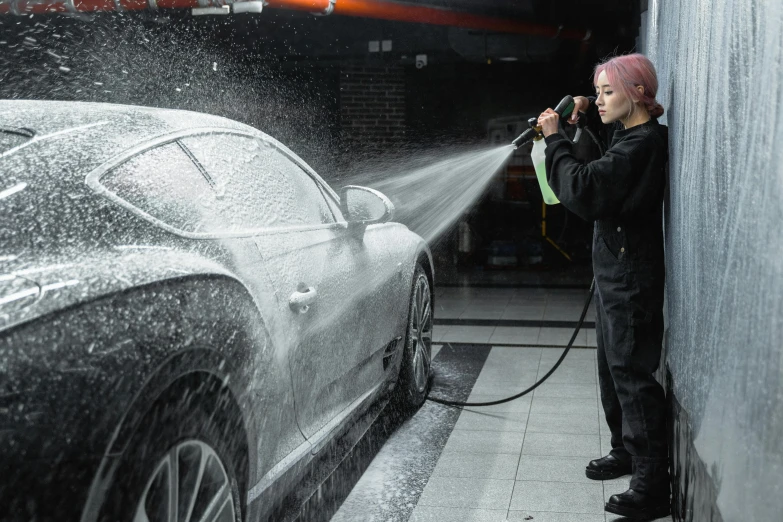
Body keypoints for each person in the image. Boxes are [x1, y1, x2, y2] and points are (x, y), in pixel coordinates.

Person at [537, 53, 670, 521]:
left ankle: (652, 486)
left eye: (607, 92)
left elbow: (586, 187)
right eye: (597, 91)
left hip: (629, 276)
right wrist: (583, 124)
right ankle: (628, 450)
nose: (599, 98)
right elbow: (602, 160)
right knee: (613, 370)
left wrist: (555, 140)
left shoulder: (642, 145)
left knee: (632, 375)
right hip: (616, 271)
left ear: (637, 92)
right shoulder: (629, 136)